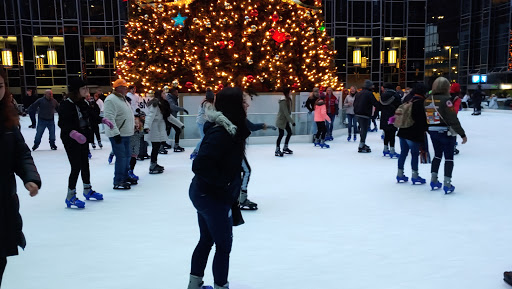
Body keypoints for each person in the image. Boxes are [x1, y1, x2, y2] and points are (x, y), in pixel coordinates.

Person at [188, 87, 250, 289]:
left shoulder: (231, 129)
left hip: (207, 193)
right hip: (210, 195)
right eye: (244, 102)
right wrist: (225, 184)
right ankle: (220, 286)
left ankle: (194, 284)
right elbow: (199, 165)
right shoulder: (222, 132)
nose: (247, 105)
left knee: (206, 239)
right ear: (234, 106)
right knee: (223, 246)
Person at [0, 66, 41, 286]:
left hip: (4, 202)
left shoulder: (7, 118)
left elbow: (21, 153)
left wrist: (30, 177)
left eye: (0, 85)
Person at [58, 78, 113, 208]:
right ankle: (70, 196)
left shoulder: (83, 103)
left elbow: (92, 116)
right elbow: (62, 123)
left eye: (87, 88)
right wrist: (73, 133)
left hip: (83, 137)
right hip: (71, 140)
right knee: (76, 166)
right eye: (84, 89)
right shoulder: (66, 104)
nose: (86, 91)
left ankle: (87, 189)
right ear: (76, 91)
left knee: (85, 163)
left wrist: (103, 120)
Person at [425, 77, 467, 193]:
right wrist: (462, 134)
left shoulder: (428, 100)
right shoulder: (447, 100)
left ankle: (434, 180)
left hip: (433, 130)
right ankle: (447, 183)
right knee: (449, 157)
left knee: (437, 155)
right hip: (445, 131)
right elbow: (453, 118)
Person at [240, 93, 277, 210]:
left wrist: (265, 126)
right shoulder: (239, 117)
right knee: (246, 171)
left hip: (234, 150)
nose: (247, 105)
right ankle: (242, 199)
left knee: (238, 173)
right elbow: (251, 126)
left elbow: (251, 126)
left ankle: (236, 197)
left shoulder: (237, 116)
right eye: (245, 103)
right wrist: (265, 126)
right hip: (235, 151)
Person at [104, 79, 136, 190]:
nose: (126, 88)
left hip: (126, 133)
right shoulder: (111, 100)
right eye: (123, 86)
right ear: (117, 88)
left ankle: (125, 176)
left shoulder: (122, 99)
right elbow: (109, 118)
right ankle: (118, 181)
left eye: (126, 86)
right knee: (121, 157)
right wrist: (115, 133)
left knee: (127, 156)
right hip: (118, 134)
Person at [396, 83, 428, 184]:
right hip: (413, 133)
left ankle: (400, 174)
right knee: (414, 154)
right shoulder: (421, 103)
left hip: (403, 131)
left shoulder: (408, 99)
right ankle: (415, 176)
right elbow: (421, 120)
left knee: (403, 153)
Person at [354, 80, 380, 153]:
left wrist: (356, 111)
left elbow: (355, 103)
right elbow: (375, 103)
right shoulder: (369, 94)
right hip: (365, 114)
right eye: (372, 85)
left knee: (362, 128)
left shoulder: (358, 93)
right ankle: (361, 145)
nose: (373, 87)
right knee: (364, 129)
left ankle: (362, 143)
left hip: (358, 113)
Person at [191, 89, 216, 160]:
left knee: (206, 138)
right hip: (202, 122)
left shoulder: (206, 102)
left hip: (203, 122)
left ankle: (205, 151)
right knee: (204, 138)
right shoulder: (206, 104)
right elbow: (209, 114)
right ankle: (196, 151)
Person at [379, 83, 402, 158]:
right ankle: (392, 150)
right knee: (392, 133)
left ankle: (385, 149)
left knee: (386, 132)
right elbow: (400, 106)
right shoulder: (396, 95)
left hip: (384, 116)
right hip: (393, 116)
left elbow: (380, 106)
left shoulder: (382, 96)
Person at [165, 88, 189, 152]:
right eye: (176, 92)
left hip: (171, 117)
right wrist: (183, 109)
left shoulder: (173, 98)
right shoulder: (169, 98)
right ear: (173, 92)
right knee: (176, 130)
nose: (177, 94)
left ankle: (165, 145)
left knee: (169, 131)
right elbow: (172, 106)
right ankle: (164, 145)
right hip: (169, 117)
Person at [275, 87, 295, 157]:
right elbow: (286, 113)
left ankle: (285, 147)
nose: (291, 92)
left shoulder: (288, 99)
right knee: (281, 134)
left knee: (289, 132)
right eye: (290, 91)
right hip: (281, 120)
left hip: (285, 120)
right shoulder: (283, 101)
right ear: (288, 92)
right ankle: (277, 150)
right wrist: (292, 121)